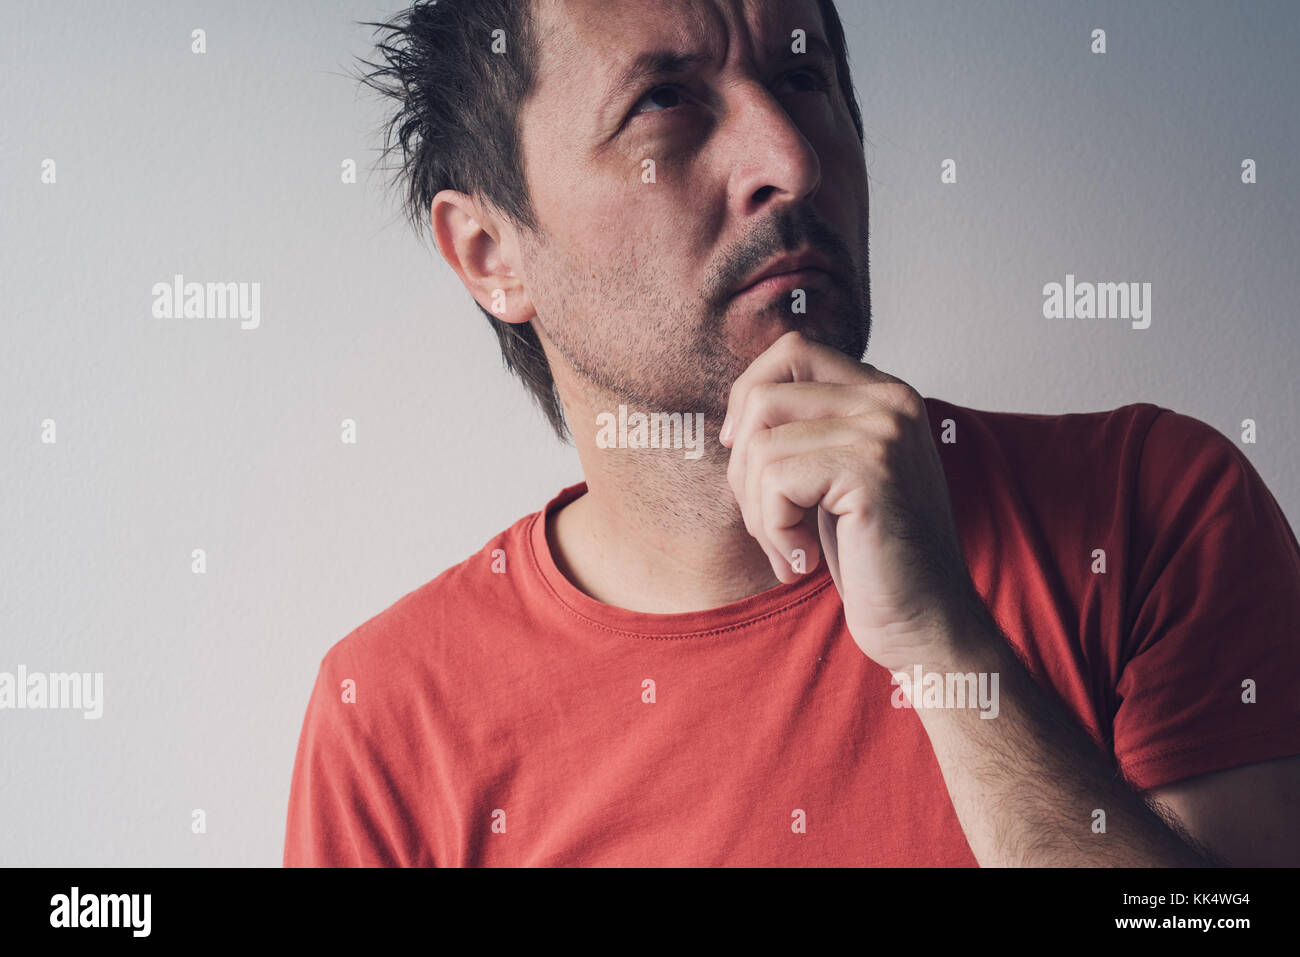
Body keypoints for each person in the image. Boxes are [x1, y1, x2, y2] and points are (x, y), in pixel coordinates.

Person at [283, 0, 1300, 866]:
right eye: (664, 101)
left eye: (804, 78)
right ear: (490, 251)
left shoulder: (1153, 505)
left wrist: (942, 644)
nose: (791, 160)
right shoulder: (391, 717)